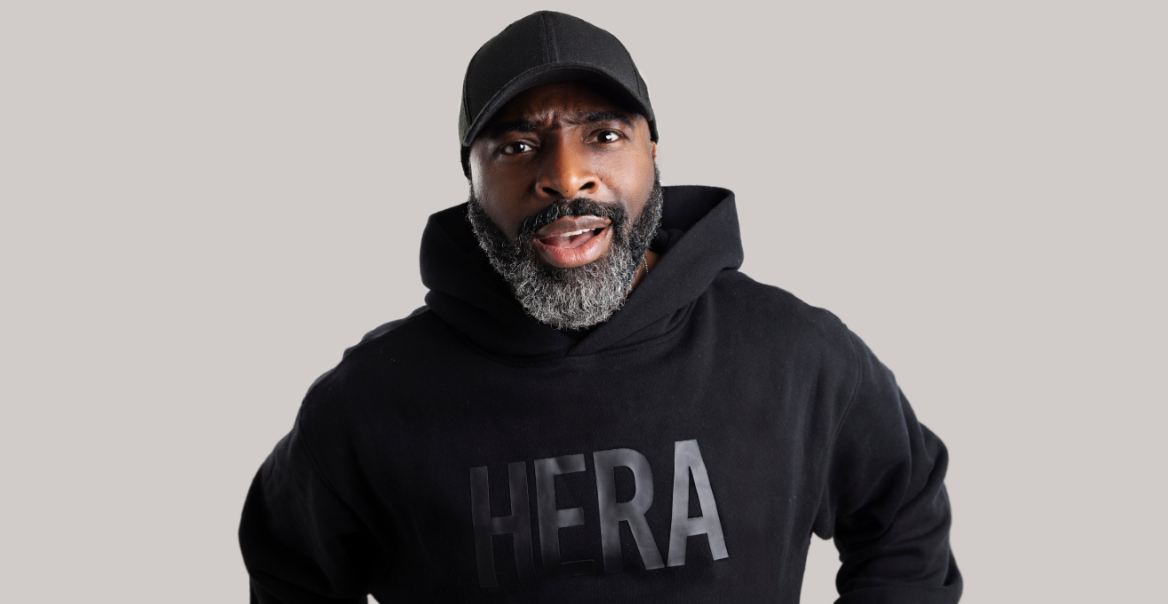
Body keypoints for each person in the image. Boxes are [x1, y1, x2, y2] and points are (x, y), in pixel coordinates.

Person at [239, 11, 962, 603]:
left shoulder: (796, 357)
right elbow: (290, 572)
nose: (566, 176)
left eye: (604, 135)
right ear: (472, 182)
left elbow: (904, 515)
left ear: (654, 151)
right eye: (518, 146)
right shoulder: (371, 401)